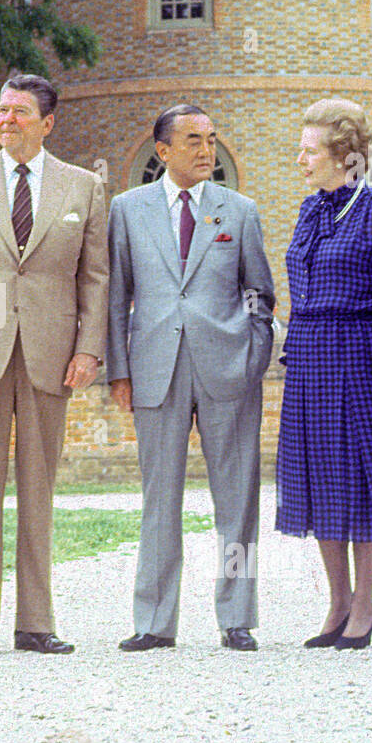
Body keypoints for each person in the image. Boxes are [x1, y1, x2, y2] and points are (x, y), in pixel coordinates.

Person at [0, 73, 108, 657]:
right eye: (2, 110)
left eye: (20, 112)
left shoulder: (83, 188)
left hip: (50, 355)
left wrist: (89, 347)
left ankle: (35, 623)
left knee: (39, 491)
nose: (7, 120)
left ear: (47, 122)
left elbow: (95, 277)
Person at [107, 104, 274, 653]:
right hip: (156, 368)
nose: (207, 151)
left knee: (238, 499)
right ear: (164, 152)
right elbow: (115, 298)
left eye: (211, 139)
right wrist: (120, 370)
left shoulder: (240, 210)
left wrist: (252, 355)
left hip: (229, 370)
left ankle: (237, 617)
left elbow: (260, 295)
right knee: (159, 499)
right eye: (194, 141)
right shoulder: (127, 210)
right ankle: (154, 621)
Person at [274, 99, 372, 651]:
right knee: (316, 476)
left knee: (357, 477)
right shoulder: (310, 211)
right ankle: (336, 601)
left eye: (310, 150)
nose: (301, 159)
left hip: (359, 354)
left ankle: (365, 604)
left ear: (345, 157)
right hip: (308, 358)